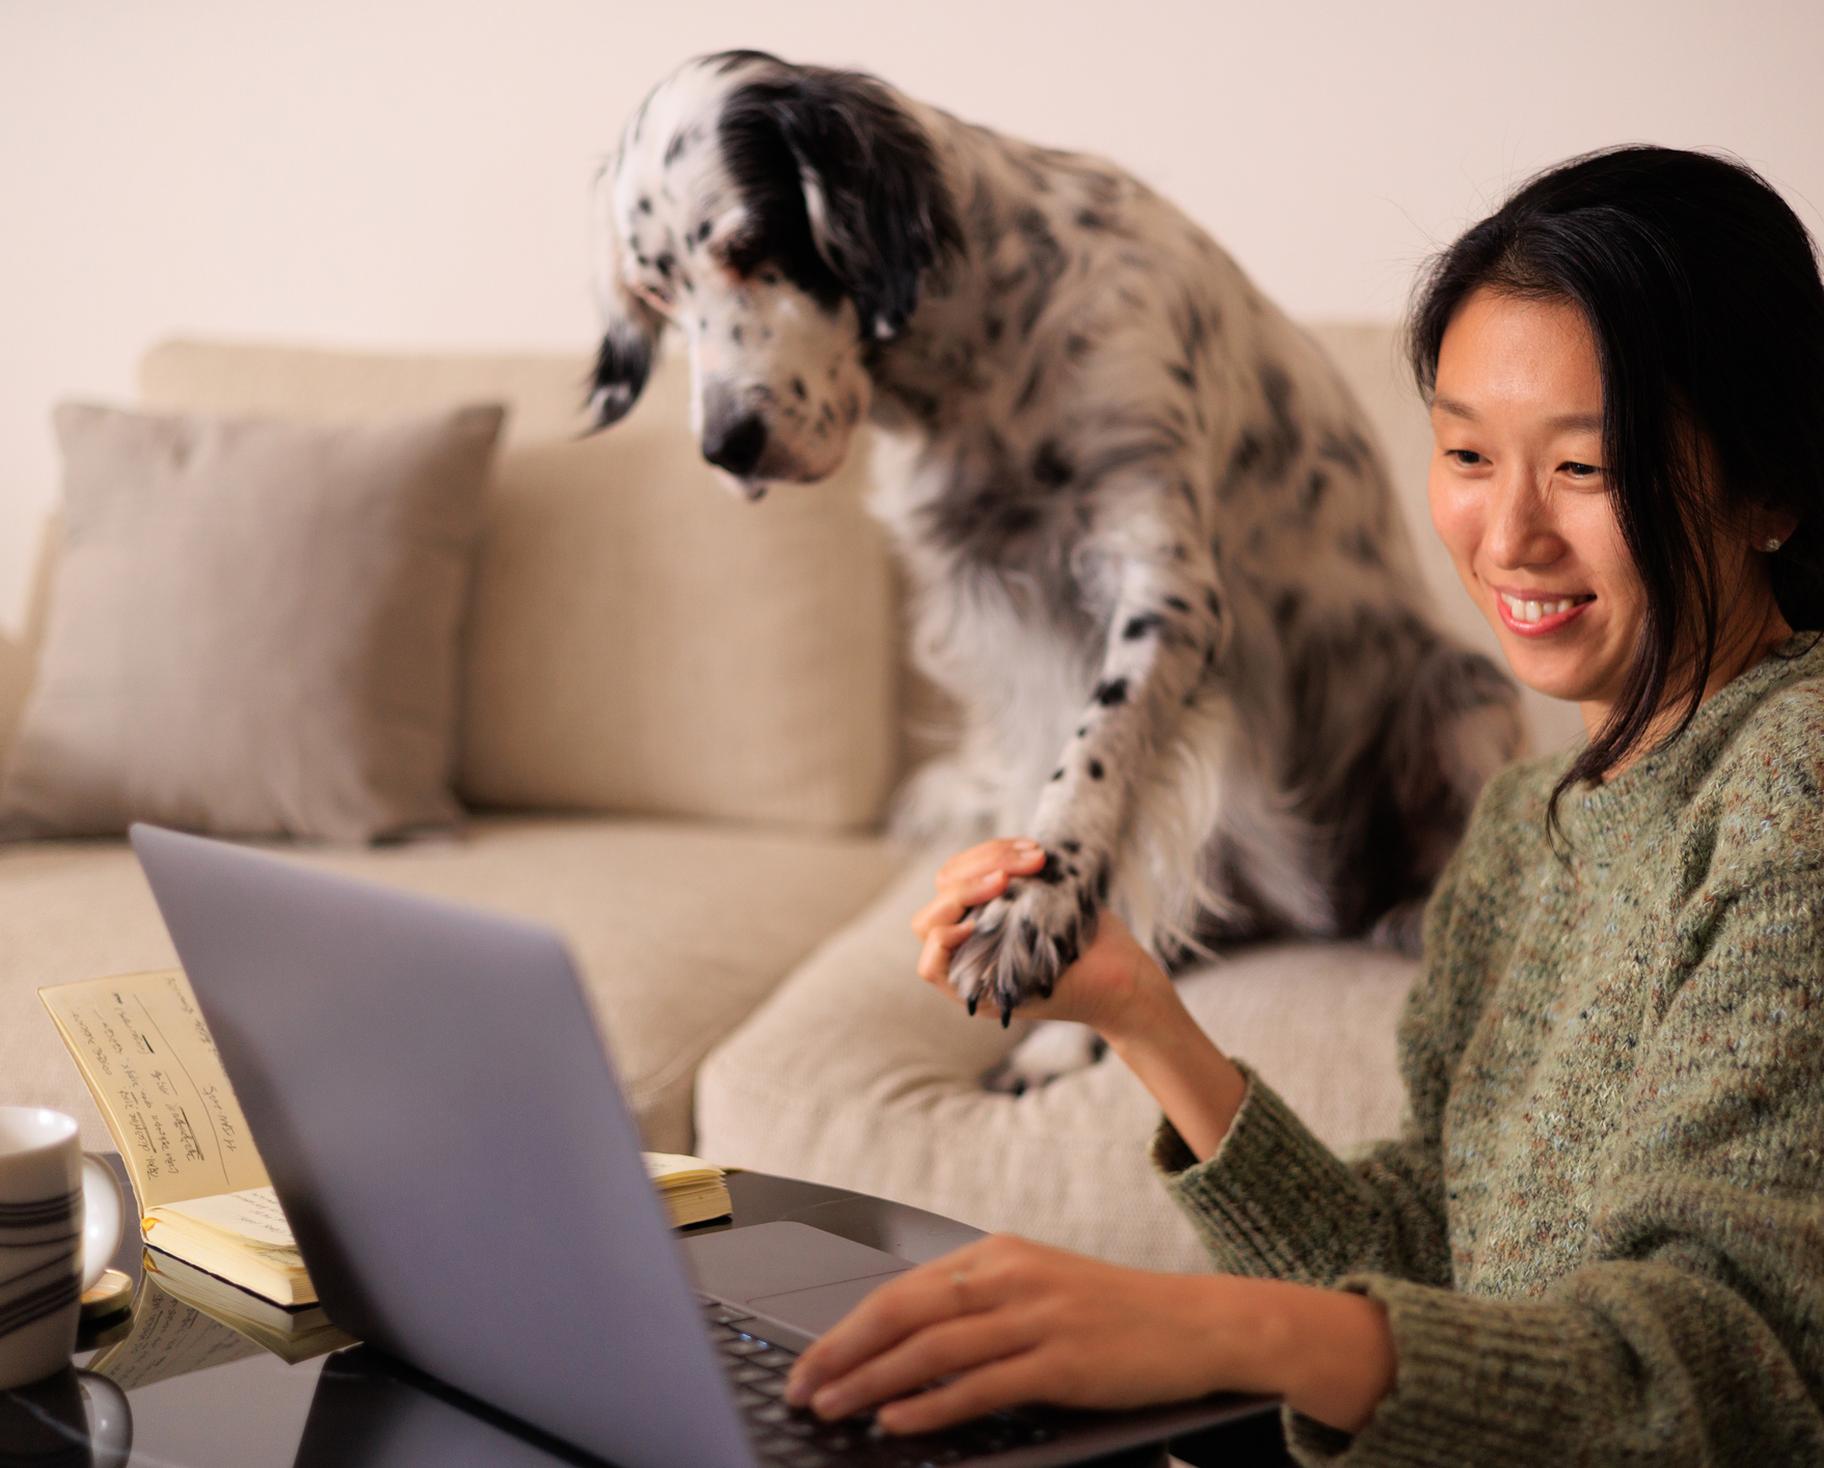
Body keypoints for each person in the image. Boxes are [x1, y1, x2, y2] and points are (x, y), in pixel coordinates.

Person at [780, 144, 1824, 1464]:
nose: (1507, 537)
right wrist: (1138, 1012)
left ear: (1771, 489)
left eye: (1586, 467)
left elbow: (1725, 1374)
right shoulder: (1523, 820)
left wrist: (1219, 1331)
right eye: (1462, 452)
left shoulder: (1795, 789)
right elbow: (1417, 1265)